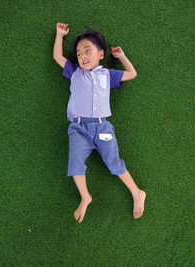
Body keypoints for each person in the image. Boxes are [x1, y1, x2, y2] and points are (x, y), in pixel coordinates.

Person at [53, 23, 146, 223]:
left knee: (114, 162)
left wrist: (121, 57)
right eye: (79, 53)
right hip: (78, 128)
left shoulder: (107, 74)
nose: (83, 56)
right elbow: (58, 58)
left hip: (102, 127)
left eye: (88, 51)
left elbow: (132, 74)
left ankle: (137, 192)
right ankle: (85, 196)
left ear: (101, 54)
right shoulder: (75, 71)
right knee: (75, 163)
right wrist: (60, 35)